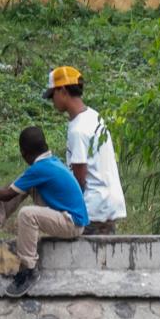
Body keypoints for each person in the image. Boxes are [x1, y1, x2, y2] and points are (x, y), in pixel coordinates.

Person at [0, 125, 89, 295]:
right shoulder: (50, 162)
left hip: (72, 223)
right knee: (24, 184)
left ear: (24, 153)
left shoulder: (40, 168)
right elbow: (14, 188)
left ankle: (29, 269)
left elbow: (7, 195)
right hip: (69, 217)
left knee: (27, 214)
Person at [45, 64, 126, 232]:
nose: (52, 101)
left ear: (63, 92)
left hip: (92, 208)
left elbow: (79, 180)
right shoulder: (94, 116)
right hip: (110, 203)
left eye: (53, 95)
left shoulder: (78, 130)